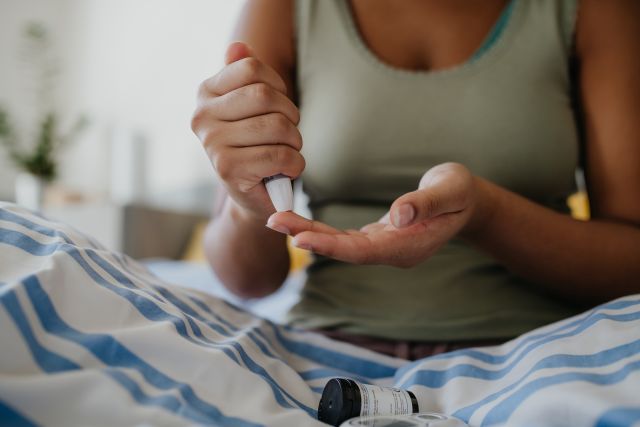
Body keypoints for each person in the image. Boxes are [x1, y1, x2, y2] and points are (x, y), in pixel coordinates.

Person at [191, 0, 640, 360]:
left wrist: (484, 214)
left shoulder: (594, 11)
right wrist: (252, 204)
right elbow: (246, 281)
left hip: (538, 353)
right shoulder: (287, 7)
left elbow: (630, 262)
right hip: (327, 348)